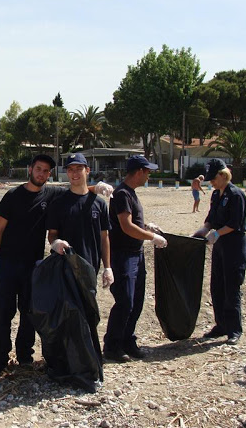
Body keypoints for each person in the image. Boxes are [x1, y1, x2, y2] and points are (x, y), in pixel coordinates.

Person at [0, 154, 114, 377]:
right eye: (38, 169)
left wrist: (97, 188)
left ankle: (25, 356)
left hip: (34, 265)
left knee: (29, 313)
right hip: (6, 263)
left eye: (46, 171)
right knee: (2, 313)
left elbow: (78, 189)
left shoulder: (52, 194)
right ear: (30, 169)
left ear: (50, 175)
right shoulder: (13, 195)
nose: (41, 174)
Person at [103, 155, 168, 363]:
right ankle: (112, 345)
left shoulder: (130, 194)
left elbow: (133, 223)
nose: (149, 175)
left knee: (137, 301)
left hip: (135, 254)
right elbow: (126, 226)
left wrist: (147, 227)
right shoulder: (121, 194)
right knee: (125, 302)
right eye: (148, 172)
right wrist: (152, 238)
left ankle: (127, 340)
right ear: (139, 171)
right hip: (123, 256)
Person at [193, 158, 246, 346]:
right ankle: (221, 324)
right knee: (217, 285)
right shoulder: (216, 195)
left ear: (223, 175)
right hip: (219, 245)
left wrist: (216, 233)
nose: (211, 182)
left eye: (213, 179)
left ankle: (234, 329)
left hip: (233, 245)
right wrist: (203, 230)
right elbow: (211, 219)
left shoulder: (236, 195)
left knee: (231, 287)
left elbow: (235, 223)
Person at [46, 152, 113, 288]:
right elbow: (52, 234)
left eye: (78, 169)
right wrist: (56, 243)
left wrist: (108, 268)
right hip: (64, 267)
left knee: (89, 307)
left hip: (91, 267)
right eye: (70, 169)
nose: (74, 173)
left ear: (87, 170)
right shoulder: (58, 203)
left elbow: (104, 237)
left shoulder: (99, 204)